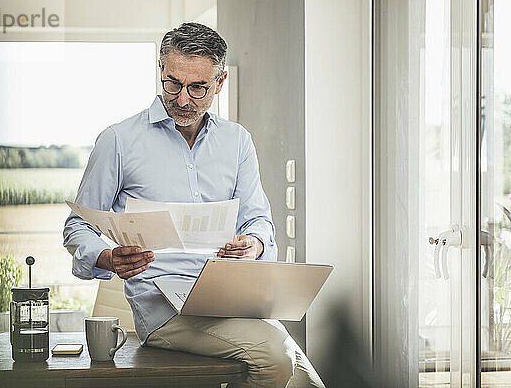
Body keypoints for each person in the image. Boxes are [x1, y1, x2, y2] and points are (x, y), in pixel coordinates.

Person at [63, 22, 324, 388]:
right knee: (275, 355)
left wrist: (254, 244)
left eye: (198, 87)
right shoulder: (119, 140)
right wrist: (107, 258)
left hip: (231, 301)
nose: (183, 99)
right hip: (163, 310)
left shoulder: (236, 142)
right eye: (173, 83)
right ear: (161, 70)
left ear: (220, 83)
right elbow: (77, 225)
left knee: (309, 383)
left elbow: (258, 220)